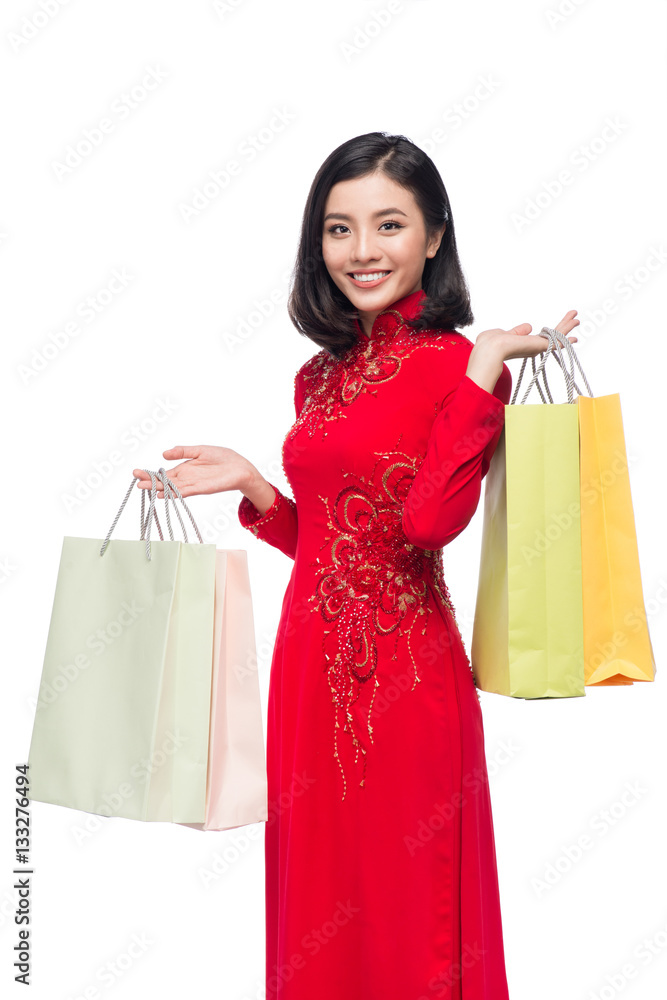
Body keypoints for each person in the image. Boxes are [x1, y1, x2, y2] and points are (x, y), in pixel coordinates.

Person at [133, 132, 579, 1000]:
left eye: (388, 225)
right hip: (307, 677)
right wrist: (257, 486)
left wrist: (486, 366)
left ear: (435, 236)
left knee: (412, 909)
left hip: (406, 683)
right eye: (339, 229)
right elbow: (341, 544)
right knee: (318, 907)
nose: (362, 251)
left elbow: (424, 526)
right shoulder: (319, 377)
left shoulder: (455, 365)